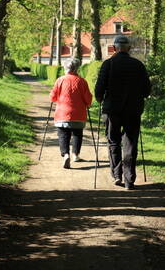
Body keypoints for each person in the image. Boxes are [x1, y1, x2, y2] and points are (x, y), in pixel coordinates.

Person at [95, 35, 151, 190]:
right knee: (130, 143)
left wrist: (101, 101)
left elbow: (99, 89)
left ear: (114, 48)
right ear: (129, 48)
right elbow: (147, 90)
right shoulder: (138, 65)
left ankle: (116, 175)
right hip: (133, 110)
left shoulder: (108, 64)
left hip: (112, 110)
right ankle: (129, 180)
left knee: (113, 141)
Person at [50, 58, 93, 169]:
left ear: (66, 68)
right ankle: (75, 155)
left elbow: (52, 97)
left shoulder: (60, 80)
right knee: (77, 134)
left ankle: (65, 154)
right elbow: (88, 100)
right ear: (77, 68)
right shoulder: (82, 81)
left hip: (62, 114)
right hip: (78, 115)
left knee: (63, 135)